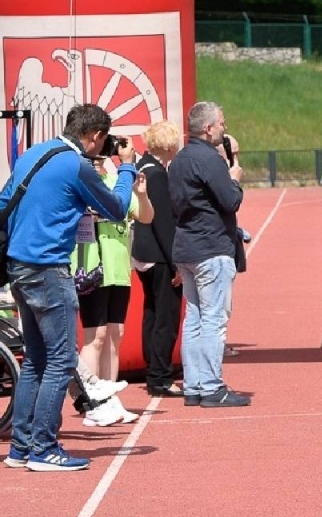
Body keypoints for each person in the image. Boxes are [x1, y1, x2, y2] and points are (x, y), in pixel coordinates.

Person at [1, 104, 137, 471]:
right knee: (61, 360)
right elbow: (116, 208)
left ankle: (22, 447)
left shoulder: (35, 152)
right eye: (104, 140)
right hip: (48, 269)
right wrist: (126, 167)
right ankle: (44, 448)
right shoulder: (76, 165)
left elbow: (4, 201)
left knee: (35, 360)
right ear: (95, 136)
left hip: (19, 264)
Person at [171, 101, 250, 408]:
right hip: (211, 246)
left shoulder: (179, 159)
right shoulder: (209, 159)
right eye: (221, 123)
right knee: (213, 319)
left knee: (194, 318)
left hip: (187, 246)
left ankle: (194, 384)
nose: (224, 128)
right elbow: (230, 201)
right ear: (208, 128)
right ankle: (212, 386)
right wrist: (234, 179)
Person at [76, 139, 156, 426]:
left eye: (99, 161)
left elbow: (146, 216)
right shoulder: (79, 185)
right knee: (94, 337)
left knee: (115, 334)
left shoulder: (115, 181)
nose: (96, 166)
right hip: (90, 267)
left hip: (118, 268)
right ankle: (90, 402)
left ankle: (110, 398)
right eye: (91, 161)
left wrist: (142, 195)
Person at [133, 120, 184, 398]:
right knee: (166, 315)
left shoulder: (143, 168)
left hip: (143, 253)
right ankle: (161, 376)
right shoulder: (158, 176)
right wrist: (176, 263)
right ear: (168, 145)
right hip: (159, 254)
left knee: (151, 313)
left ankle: (153, 368)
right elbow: (163, 223)